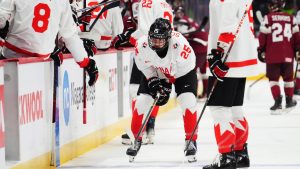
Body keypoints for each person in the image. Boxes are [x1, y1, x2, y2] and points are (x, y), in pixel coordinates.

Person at [126, 18, 199, 163]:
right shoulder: (142, 45)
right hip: (156, 70)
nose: (156, 43)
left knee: (187, 100)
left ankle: (191, 140)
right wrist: (152, 79)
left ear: (168, 38)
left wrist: (167, 83)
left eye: (160, 40)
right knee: (141, 101)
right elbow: (144, 66)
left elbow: (186, 66)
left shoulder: (180, 45)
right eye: (153, 39)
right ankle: (136, 138)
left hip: (182, 72)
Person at [203, 0, 259, 168]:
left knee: (219, 108)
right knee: (234, 108)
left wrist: (218, 52)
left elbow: (228, 23)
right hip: (242, 57)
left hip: (228, 59)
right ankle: (240, 153)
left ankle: (226, 155)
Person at [113, 0, 173, 145]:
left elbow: (145, 31)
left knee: (136, 91)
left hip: (148, 52)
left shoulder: (147, 2)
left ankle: (139, 131)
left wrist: (126, 38)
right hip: (164, 53)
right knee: (154, 91)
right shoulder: (165, 4)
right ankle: (149, 129)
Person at [0, 0, 99, 86]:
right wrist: (86, 62)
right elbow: (69, 35)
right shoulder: (62, 2)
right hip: (32, 64)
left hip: (15, 59)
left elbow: (1, 16)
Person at [257, 0, 298, 114]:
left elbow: (262, 37)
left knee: (273, 79)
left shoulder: (268, 18)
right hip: (288, 55)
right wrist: (298, 50)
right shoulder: (291, 18)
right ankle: (289, 101)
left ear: (273, 6)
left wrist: (261, 50)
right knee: (288, 79)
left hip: (272, 55)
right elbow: (297, 37)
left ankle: (278, 103)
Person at [174, 6, 209, 100]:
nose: (178, 15)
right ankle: (206, 94)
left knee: (191, 71)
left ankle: (193, 94)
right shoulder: (186, 19)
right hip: (204, 45)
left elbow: (181, 38)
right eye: (177, 13)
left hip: (199, 47)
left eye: (180, 13)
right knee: (203, 72)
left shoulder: (183, 22)